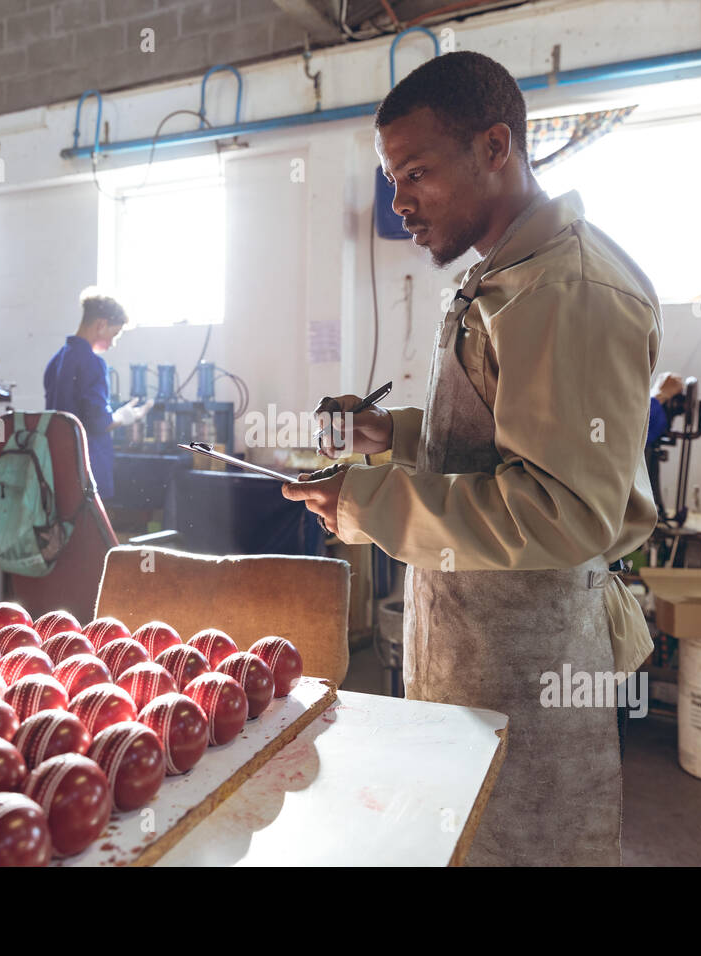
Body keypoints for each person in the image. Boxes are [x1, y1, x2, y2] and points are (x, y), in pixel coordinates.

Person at [283, 52, 661, 866]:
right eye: (392, 178)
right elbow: (498, 441)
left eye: (415, 171)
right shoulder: (503, 278)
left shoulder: (569, 289)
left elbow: (561, 509)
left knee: (525, 847)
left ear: (496, 147)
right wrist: (391, 437)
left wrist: (370, 503)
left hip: (534, 670)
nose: (400, 202)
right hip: (474, 646)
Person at [43, 288, 148, 502]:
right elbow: (99, 422)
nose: (113, 342)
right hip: (87, 467)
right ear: (101, 325)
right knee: (90, 531)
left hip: (57, 465)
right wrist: (123, 416)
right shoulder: (93, 363)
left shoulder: (55, 362)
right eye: (115, 334)